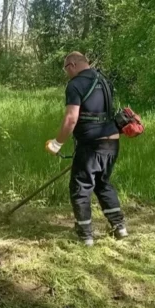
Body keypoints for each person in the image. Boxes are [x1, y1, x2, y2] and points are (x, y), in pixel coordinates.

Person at [45, 52, 127, 246]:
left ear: (72, 65)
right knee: (102, 183)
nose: (67, 74)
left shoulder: (75, 85)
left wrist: (57, 144)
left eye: (66, 69)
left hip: (91, 144)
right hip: (112, 142)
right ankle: (119, 227)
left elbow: (71, 118)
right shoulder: (105, 80)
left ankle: (85, 236)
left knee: (80, 187)